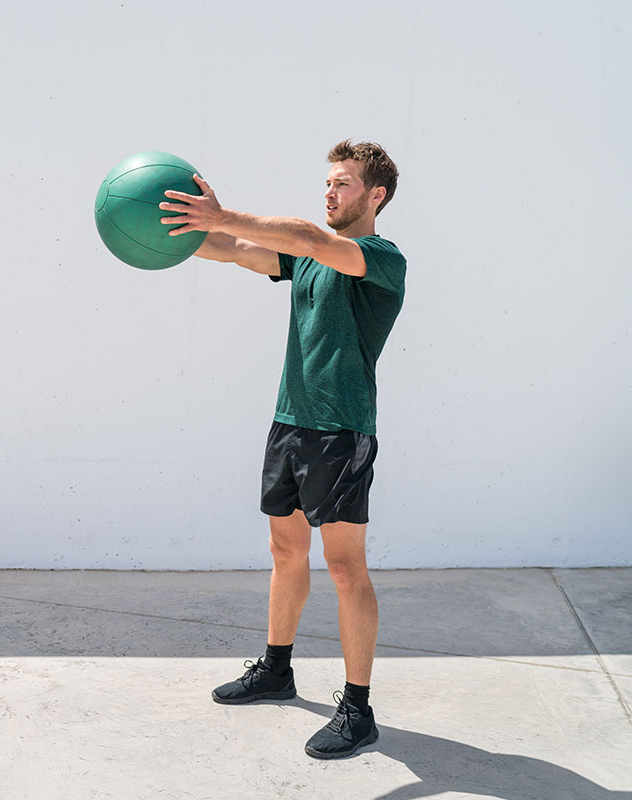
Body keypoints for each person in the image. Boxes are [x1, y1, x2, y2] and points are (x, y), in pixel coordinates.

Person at [159, 140, 405, 759]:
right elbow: (234, 249)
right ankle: (276, 669)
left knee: (346, 568)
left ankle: (358, 707)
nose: (330, 192)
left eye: (344, 183)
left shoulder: (378, 258)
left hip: (341, 430)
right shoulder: (305, 262)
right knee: (284, 549)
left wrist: (224, 214)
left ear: (375, 195)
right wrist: (174, 230)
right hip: (289, 423)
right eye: (328, 182)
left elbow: (311, 239)